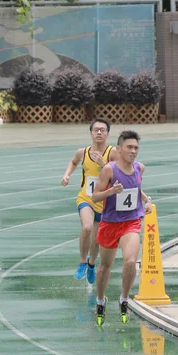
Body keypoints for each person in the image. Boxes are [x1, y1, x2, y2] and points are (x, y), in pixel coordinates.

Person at [92, 130, 152, 325]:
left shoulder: (139, 168)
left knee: (130, 261)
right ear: (119, 149)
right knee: (104, 267)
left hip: (131, 221)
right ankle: (100, 300)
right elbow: (95, 197)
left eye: (136, 147)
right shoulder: (109, 170)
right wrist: (111, 191)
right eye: (129, 147)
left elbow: (135, 188)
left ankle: (124, 298)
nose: (133, 151)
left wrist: (146, 199)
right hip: (110, 223)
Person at [61, 119, 118, 283]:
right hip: (86, 197)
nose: (99, 132)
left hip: (104, 201)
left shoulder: (112, 152)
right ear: (91, 133)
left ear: (107, 133)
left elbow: (119, 174)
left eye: (103, 130)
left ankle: (92, 264)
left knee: (96, 239)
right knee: (86, 227)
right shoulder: (83, 152)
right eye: (96, 130)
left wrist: (103, 163)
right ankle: (82, 261)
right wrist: (67, 175)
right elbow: (73, 162)